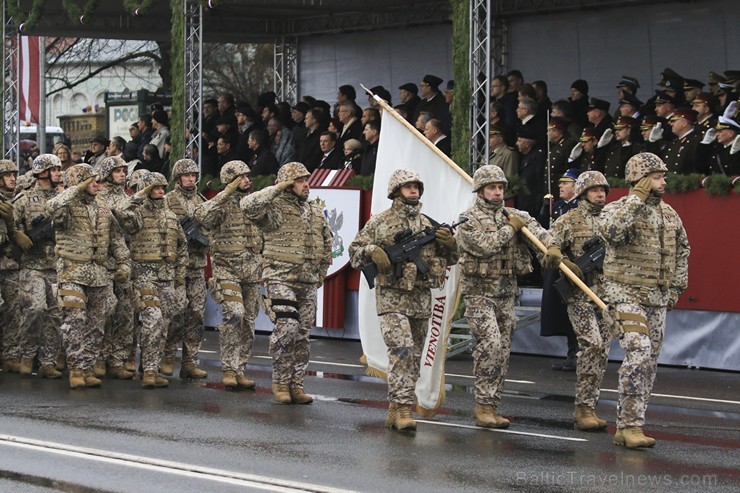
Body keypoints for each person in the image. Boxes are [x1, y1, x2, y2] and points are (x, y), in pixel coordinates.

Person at [348, 169, 458, 431]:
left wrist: (450, 244)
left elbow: (452, 260)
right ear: (396, 190)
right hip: (391, 299)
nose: (413, 190)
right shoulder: (380, 222)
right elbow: (354, 253)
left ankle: (397, 406)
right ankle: (403, 408)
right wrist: (372, 250)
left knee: (415, 356)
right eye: (408, 186)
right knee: (402, 350)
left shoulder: (429, 224)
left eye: (416, 186)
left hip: (420, 300)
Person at [454, 165, 561, 428]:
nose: (497, 192)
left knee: (502, 351)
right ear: (480, 191)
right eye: (491, 188)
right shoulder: (467, 219)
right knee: (489, 344)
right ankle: (482, 405)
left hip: (506, 293)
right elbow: (485, 246)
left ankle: (492, 406)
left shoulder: (515, 215)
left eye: (500, 187)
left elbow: (542, 236)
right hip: (479, 294)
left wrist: (554, 248)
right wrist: (510, 229)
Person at [600, 153, 690, 449]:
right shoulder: (618, 208)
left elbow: (682, 252)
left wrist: (676, 288)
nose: (663, 182)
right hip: (624, 294)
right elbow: (612, 233)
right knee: (638, 350)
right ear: (640, 180)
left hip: (657, 298)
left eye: (663, 176)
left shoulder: (670, 214)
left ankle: (630, 425)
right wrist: (635, 199)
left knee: (649, 362)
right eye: (657, 177)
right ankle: (630, 425)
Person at [241, 162, 332, 405]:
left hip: (308, 280)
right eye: (300, 180)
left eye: (306, 179)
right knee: (288, 327)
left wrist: (321, 272)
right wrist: (278, 187)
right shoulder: (273, 208)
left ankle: (296, 384)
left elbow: (326, 242)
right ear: (288, 184)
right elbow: (247, 205)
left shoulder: (314, 210)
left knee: (302, 334)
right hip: (280, 276)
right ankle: (280, 382)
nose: (306, 184)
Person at [47, 164, 129, 389]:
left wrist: (123, 263)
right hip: (72, 272)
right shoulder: (66, 204)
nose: (96, 184)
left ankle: (87, 367)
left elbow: (116, 239)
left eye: (96, 180)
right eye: (89, 180)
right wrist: (75, 188)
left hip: (99, 275)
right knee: (75, 322)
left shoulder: (103, 206)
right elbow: (52, 207)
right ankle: (75, 368)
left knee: (97, 322)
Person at [548, 171, 611, 430]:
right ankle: (583, 409)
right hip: (580, 295)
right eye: (595, 190)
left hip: (607, 296)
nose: (600, 195)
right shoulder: (569, 220)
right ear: (584, 193)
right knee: (592, 345)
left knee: (603, 352)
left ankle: (589, 406)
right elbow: (547, 246)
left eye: (603, 191)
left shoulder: (612, 219)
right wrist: (564, 262)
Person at [194, 161, 263, 389]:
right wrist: (226, 194)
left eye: (247, 176)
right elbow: (202, 216)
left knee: (249, 322)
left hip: (252, 271)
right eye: (241, 177)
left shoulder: (252, 203)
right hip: (227, 270)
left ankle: (241, 369)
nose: (246, 180)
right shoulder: (219, 205)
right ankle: (228, 369)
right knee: (235, 314)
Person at [127, 172, 188, 389]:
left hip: (167, 277)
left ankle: (151, 365)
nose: (161, 192)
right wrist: (140, 194)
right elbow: (122, 213)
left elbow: (182, 247)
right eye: (155, 188)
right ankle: (150, 371)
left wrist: (180, 276)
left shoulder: (171, 216)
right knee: (152, 319)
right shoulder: (136, 214)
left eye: (163, 188)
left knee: (163, 324)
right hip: (144, 276)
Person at [13, 154, 63, 378]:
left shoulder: (63, 199)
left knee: (54, 315)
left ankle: (48, 361)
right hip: (32, 265)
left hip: (56, 266)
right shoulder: (24, 199)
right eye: (54, 170)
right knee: (35, 309)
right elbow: (9, 227)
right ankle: (26, 354)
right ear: (43, 173)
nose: (58, 174)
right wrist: (17, 235)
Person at [162, 159, 210, 380]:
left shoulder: (201, 202)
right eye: (187, 175)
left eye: (194, 175)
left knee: (196, 315)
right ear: (177, 178)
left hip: (197, 266)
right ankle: (168, 357)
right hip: (175, 268)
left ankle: (190, 360)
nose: (191, 178)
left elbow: (210, 231)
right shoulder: (168, 201)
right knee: (175, 312)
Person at [94, 156, 140, 378]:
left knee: (125, 311)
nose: (122, 174)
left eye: (124, 171)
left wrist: (125, 213)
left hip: (124, 260)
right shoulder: (97, 198)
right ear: (106, 174)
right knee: (104, 311)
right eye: (117, 171)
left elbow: (136, 227)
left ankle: (118, 359)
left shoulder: (129, 198)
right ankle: (98, 358)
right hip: (101, 262)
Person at [0, 160, 22, 372]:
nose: (13, 179)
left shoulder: (18, 201)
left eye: (14, 175)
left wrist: (12, 223)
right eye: (8, 175)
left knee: (13, 308)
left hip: (10, 262)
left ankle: (11, 353)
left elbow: (19, 233)